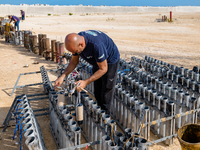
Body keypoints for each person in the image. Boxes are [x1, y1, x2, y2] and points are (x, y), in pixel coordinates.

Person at [55, 30, 120, 113]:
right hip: (97, 61)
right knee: (97, 87)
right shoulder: (77, 42)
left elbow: (103, 69)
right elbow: (74, 62)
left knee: (106, 90)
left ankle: (105, 117)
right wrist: (62, 76)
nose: (74, 53)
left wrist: (85, 82)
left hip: (110, 61)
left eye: (75, 51)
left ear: (81, 44)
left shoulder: (96, 46)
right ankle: (99, 108)